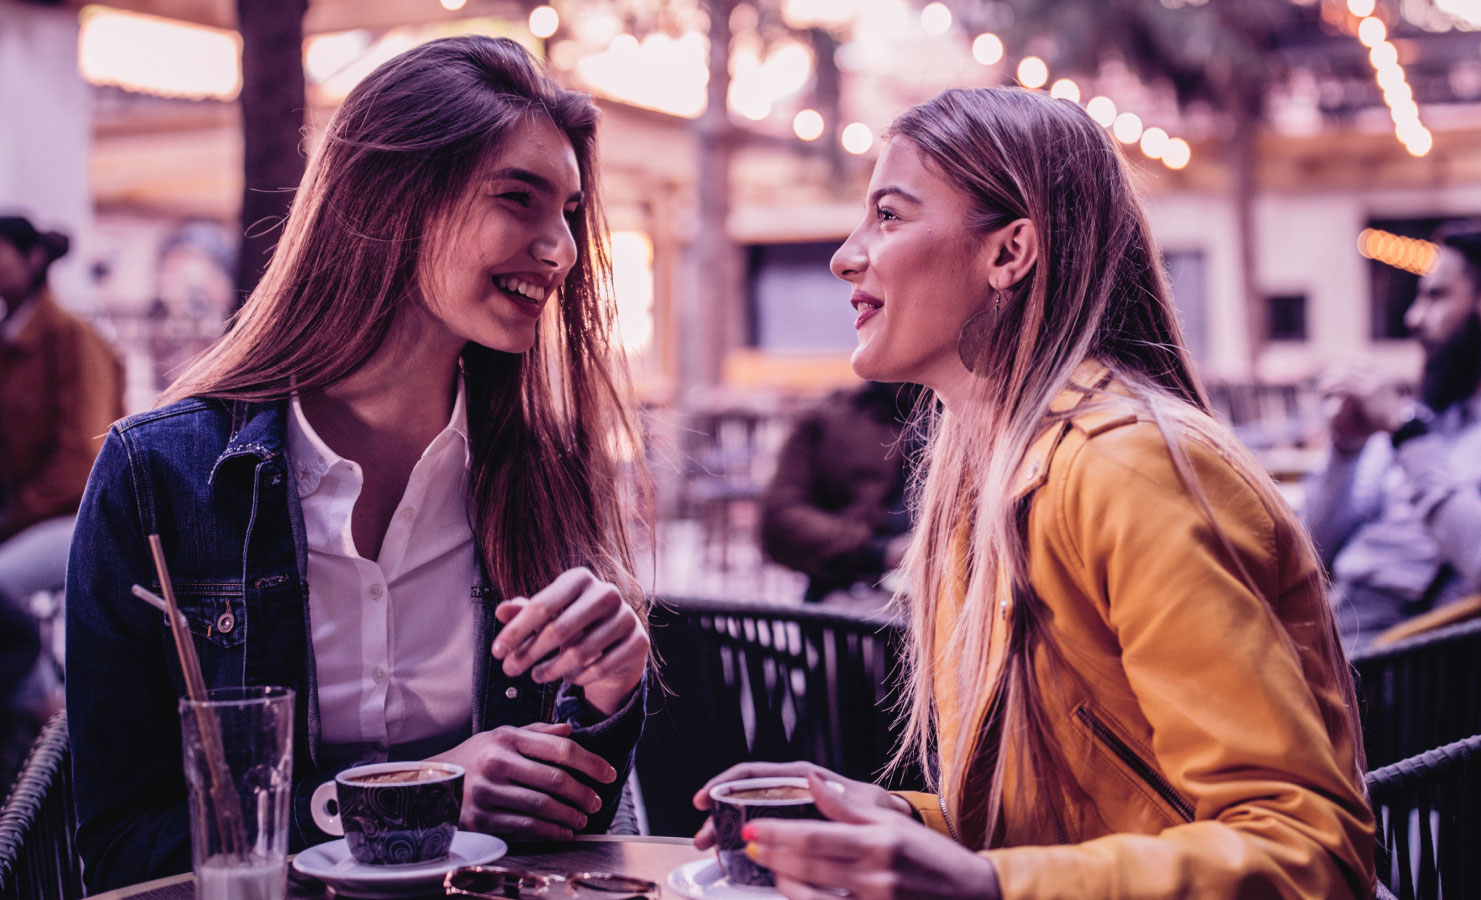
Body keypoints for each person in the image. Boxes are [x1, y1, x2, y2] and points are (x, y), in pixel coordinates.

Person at [692, 88, 1374, 899]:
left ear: (1010, 253)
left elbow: (1309, 853)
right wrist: (905, 828)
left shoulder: (1129, 469)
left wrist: (985, 884)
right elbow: (1068, 822)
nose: (845, 255)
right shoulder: (981, 477)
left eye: (889, 216)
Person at [67, 36, 650, 892]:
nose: (559, 248)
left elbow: (569, 830)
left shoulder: (548, 467)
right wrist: (409, 795)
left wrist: (611, 695)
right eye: (519, 199)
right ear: (389, 201)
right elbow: (120, 848)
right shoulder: (160, 480)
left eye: (567, 210)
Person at [1304, 225, 1481, 650]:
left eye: (1437, 296)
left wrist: (1407, 435)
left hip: (1406, 666)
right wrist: (1345, 450)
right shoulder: (1430, 416)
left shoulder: (1416, 431)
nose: (1413, 318)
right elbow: (1313, 547)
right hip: (1330, 627)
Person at [0, 216, 123, 735]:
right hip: (27, 518)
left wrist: (11, 518)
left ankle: (42, 708)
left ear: (31, 261)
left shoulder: (73, 338)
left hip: (80, 518)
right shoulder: (9, 341)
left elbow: (83, 460)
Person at [759, 380, 918, 603]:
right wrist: (878, 551)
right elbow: (779, 518)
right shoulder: (828, 419)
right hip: (856, 590)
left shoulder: (970, 419)